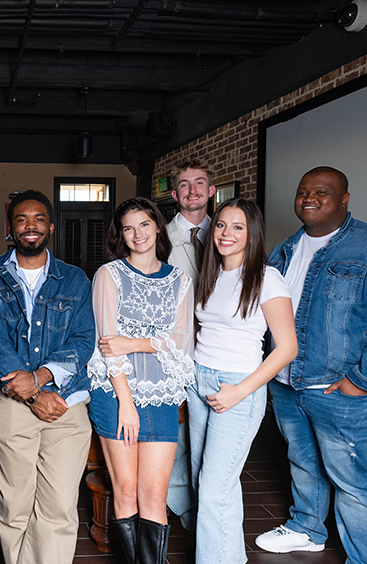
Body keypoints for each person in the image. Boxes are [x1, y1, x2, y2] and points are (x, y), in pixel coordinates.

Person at [255, 167, 367, 564]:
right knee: (303, 462)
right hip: (289, 383)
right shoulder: (285, 250)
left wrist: (362, 381)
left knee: (357, 482)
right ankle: (307, 529)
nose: (309, 198)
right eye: (302, 192)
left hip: (344, 390)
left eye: (322, 192)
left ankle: (365, 560)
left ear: (345, 199)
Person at [0, 189, 95, 564]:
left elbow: (83, 338)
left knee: (59, 506)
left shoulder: (75, 279)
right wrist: (30, 395)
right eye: (22, 219)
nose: (31, 226)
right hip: (12, 401)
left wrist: (41, 379)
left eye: (39, 219)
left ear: (51, 227)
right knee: (15, 504)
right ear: (10, 228)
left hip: (66, 402)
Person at [188, 198, 297, 564]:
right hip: (199, 379)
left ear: (252, 233)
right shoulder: (211, 274)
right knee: (207, 483)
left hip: (237, 386)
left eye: (237, 227)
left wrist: (239, 391)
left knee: (213, 490)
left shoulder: (267, 278)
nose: (226, 234)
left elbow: (286, 348)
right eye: (220, 225)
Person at [87, 197, 194, 564]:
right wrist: (127, 403)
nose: (137, 234)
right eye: (128, 228)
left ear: (158, 227)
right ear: (121, 235)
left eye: (144, 225)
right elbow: (107, 344)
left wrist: (136, 342)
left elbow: (180, 342)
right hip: (115, 395)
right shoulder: (109, 275)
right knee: (127, 491)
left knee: (153, 495)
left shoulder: (181, 280)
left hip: (162, 396)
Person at [164, 158, 216, 530]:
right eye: (184, 184)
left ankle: (210, 503)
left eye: (200, 183)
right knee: (176, 427)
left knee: (214, 431)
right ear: (174, 193)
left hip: (219, 351)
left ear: (211, 190)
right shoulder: (159, 238)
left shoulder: (232, 233)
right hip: (172, 349)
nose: (193, 190)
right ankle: (181, 504)